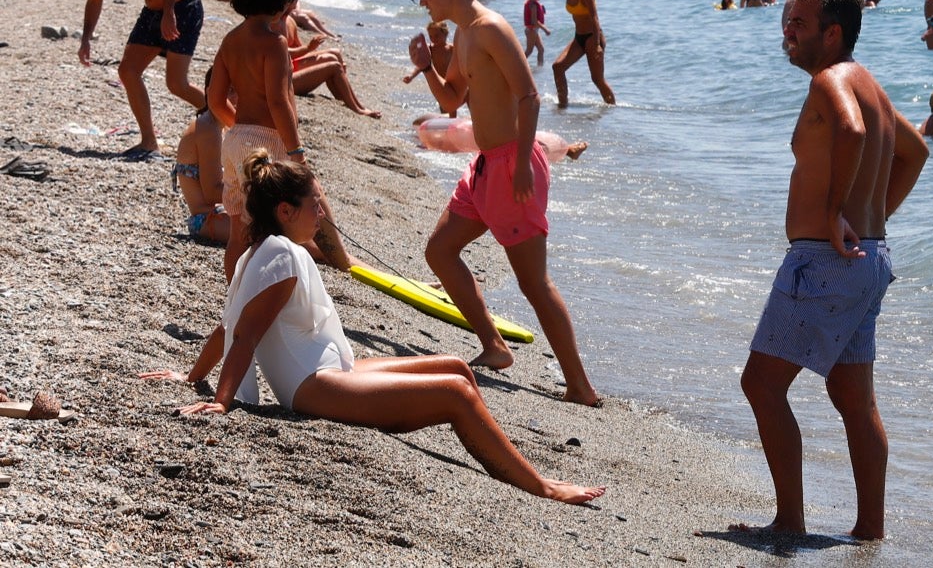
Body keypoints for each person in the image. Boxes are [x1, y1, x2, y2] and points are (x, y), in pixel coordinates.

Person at [140, 151, 604, 504]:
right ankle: (539, 485)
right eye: (315, 206)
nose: (322, 215)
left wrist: (193, 376)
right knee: (457, 394)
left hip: (332, 369)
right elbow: (242, 333)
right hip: (312, 385)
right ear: (285, 211)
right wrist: (222, 402)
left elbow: (226, 325)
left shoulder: (260, 251)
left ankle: (516, 466)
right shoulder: (280, 255)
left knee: (458, 368)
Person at [740, 0, 928, 540]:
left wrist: (831, 214)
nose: (787, 31)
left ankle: (789, 524)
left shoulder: (831, 80)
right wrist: (872, 217)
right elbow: (915, 153)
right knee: (852, 397)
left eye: (799, 23)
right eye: (787, 21)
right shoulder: (869, 83)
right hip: (867, 257)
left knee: (762, 385)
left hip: (826, 259)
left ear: (832, 33)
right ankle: (869, 530)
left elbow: (851, 129)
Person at [408, 0, 600, 401]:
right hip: (484, 167)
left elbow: (529, 96)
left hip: (513, 164)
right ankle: (494, 346)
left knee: (533, 282)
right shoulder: (463, 34)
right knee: (440, 251)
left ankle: (580, 386)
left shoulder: (490, 28)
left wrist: (522, 167)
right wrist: (427, 66)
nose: (423, 2)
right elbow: (451, 100)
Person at [209, 0, 351, 281]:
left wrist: (239, 129)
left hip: (235, 141)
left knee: (239, 231)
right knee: (283, 218)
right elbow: (278, 102)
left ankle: (236, 295)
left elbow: (215, 100)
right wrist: (296, 150)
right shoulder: (274, 43)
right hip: (269, 142)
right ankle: (321, 267)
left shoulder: (230, 40)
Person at [70, 0, 207, 158]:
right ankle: (148, 142)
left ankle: (230, 118)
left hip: (182, 6)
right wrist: (86, 39)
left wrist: (169, 13)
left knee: (177, 84)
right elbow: (94, 0)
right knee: (128, 71)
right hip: (153, 10)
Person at [550, 0, 616, 108]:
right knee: (557, 67)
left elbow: (595, 18)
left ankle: (613, 110)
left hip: (593, 37)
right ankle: (562, 106)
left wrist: (597, 44)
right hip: (578, 37)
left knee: (597, 79)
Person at [173, 90, 229, 244]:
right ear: (211, 91)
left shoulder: (218, 125)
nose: (236, 96)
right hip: (206, 219)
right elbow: (212, 193)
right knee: (271, 231)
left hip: (218, 215)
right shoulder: (208, 129)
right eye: (229, 90)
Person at [523, 0, 550, 64]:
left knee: (541, 50)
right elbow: (534, 21)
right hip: (531, 30)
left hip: (533, 30)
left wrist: (542, 10)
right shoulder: (533, 5)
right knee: (529, 51)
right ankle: (517, 65)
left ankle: (540, 68)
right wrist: (545, 29)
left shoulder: (532, 3)